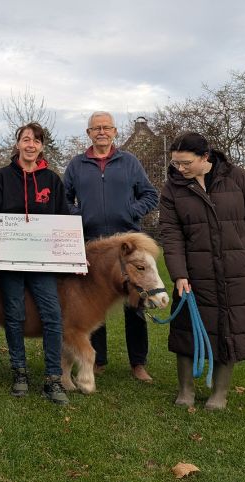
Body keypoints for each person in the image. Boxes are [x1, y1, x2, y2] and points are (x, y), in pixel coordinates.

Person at [159, 131, 245, 410]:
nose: (180, 168)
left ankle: (219, 393)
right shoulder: (172, 188)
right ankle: (185, 390)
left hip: (236, 270)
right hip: (194, 273)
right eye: (176, 163)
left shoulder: (238, 178)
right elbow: (171, 233)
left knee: (228, 327)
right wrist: (179, 274)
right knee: (187, 328)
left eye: (186, 163)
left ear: (205, 157)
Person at [63, 111, 159, 382]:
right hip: (92, 245)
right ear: (89, 133)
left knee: (135, 304)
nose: (101, 132)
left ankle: (138, 363)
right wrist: (79, 216)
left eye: (106, 127)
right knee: (93, 304)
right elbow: (64, 198)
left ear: (115, 132)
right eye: (96, 128)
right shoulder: (76, 165)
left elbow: (151, 194)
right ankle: (98, 360)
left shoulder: (129, 162)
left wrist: (131, 211)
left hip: (127, 245)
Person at [0, 122, 70, 405]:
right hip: (10, 260)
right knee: (14, 314)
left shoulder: (52, 180)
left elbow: (63, 219)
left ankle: (53, 377)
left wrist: (71, 254)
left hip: (43, 262)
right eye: (25, 139)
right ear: (18, 144)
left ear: (42, 146)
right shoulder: (2, 177)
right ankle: (19, 372)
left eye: (36, 140)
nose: (30, 145)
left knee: (52, 314)